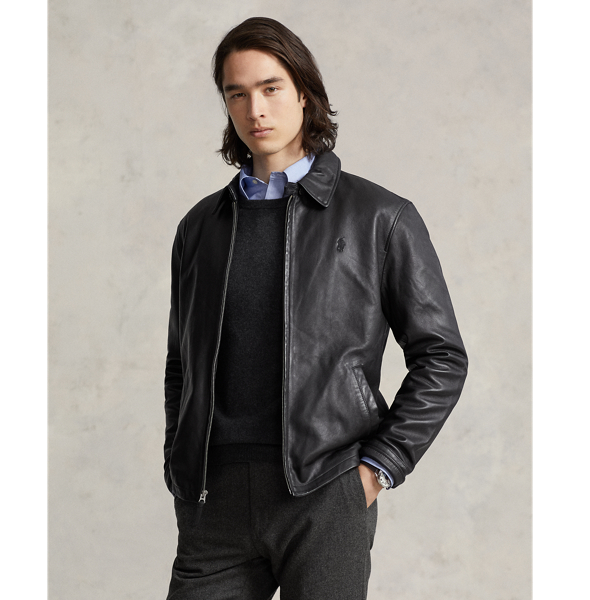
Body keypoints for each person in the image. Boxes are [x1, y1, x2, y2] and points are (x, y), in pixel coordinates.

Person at [163, 16, 468, 600]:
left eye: (270, 88)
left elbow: (442, 357)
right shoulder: (200, 227)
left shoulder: (380, 217)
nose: (255, 109)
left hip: (327, 490)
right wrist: (180, 464)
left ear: (304, 92)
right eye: (237, 93)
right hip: (212, 500)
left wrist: (378, 467)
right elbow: (182, 363)